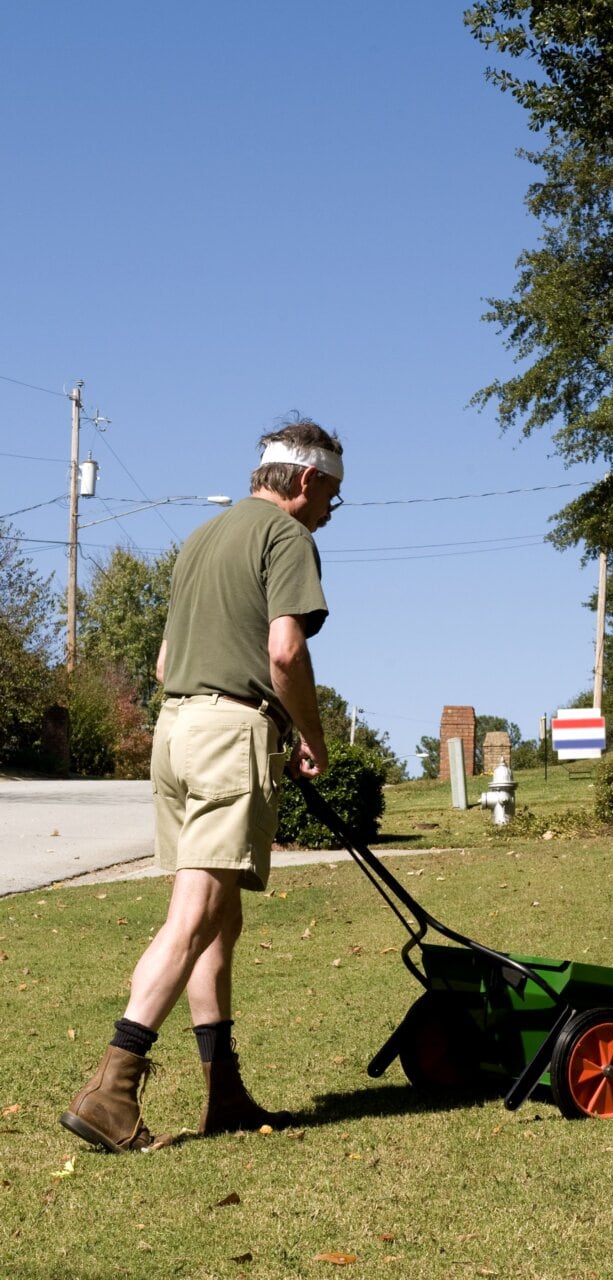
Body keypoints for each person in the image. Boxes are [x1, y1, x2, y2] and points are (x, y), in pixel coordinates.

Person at [59, 416, 344, 1153]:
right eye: (332, 495)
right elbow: (285, 651)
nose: (330, 512)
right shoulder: (287, 538)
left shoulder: (202, 540)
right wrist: (309, 735)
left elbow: (161, 665)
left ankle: (225, 1092)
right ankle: (112, 1090)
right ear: (306, 481)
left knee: (218, 918)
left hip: (176, 730)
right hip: (228, 735)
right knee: (192, 919)